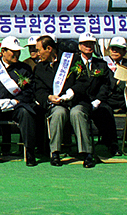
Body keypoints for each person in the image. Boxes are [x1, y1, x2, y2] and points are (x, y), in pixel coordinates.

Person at [33, 35, 93, 166]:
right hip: (57, 104)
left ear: (49, 48)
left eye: (39, 50)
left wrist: (72, 92)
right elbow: (39, 91)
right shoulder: (39, 68)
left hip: (76, 100)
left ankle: (86, 153)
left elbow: (83, 81)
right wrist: (49, 97)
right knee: (58, 113)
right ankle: (55, 152)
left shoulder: (72, 59)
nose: (37, 54)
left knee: (76, 113)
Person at [0, 37, 37, 166]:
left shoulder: (24, 68)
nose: (16, 54)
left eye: (18, 51)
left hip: (16, 105)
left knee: (26, 113)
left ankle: (30, 151)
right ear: (3, 51)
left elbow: (29, 91)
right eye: (13, 51)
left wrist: (16, 100)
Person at [76, 33, 115, 160]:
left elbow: (105, 84)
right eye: (85, 44)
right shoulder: (72, 63)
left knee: (106, 110)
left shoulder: (101, 64)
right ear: (80, 46)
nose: (88, 46)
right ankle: (83, 150)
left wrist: (98, 100)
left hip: (96, 100)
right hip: (79, 100)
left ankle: (111, 143)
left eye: (91, 43)